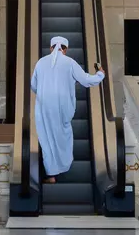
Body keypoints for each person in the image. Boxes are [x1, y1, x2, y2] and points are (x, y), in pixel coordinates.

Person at [31, 35, 105, 184]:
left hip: (44, 108)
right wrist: (100, 74)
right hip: (62, 109)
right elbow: (86, 80)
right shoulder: (70, 63)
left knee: (47, 141)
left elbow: (33, 85)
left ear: (51, 48)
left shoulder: (40, 63)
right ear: (65, 49)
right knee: (63, 137)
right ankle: (64, 166)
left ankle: (51, 175)